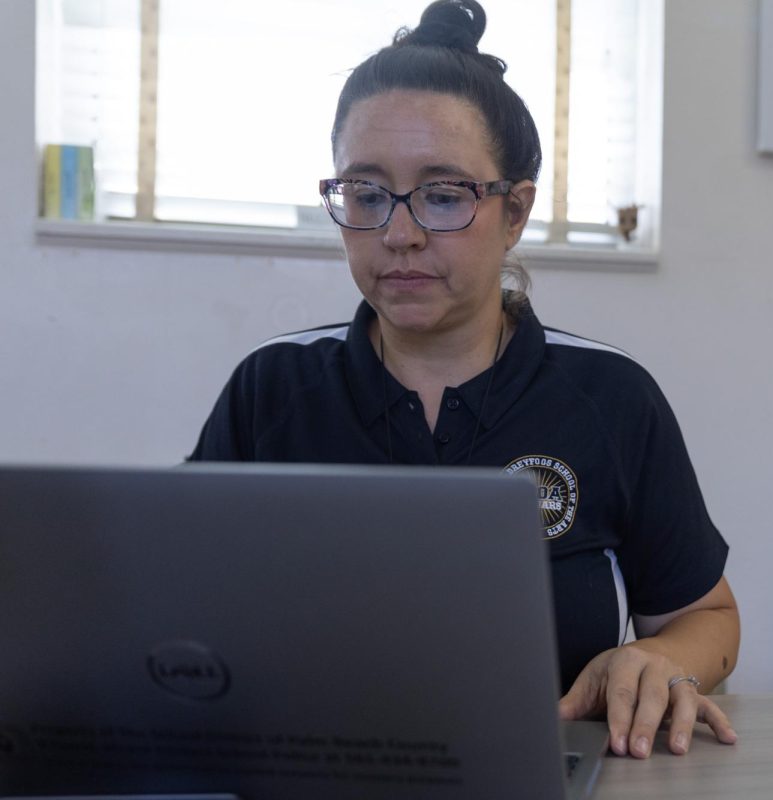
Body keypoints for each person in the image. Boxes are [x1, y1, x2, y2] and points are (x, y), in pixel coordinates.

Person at [189, 0, 739, 759]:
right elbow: (177, 606)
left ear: (514, 212)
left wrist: (664, 660)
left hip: (551, 769)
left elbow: (707, 616)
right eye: (367, 193)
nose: (400, 233)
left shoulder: (612, 398)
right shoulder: (271, 391)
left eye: (443, 195)